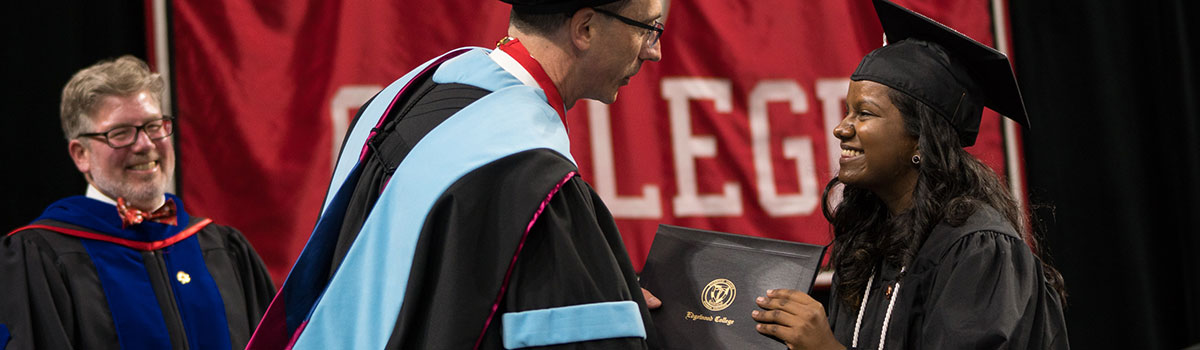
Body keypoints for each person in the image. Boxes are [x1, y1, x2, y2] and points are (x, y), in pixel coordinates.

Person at [245, 0, 663, 348]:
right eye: (649, 28)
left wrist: (611, 288)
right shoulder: (526, 174)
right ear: (585, 27)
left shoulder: (405, 99)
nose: (652, 51)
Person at [750, 1, 1069, 349]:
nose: (841, 129)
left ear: (920, 140)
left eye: (865, 114)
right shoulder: (869, 239)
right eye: (847, 112)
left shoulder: (977, 250)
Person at [0, 55, 276, 350]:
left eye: (154, 126)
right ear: (81, 154)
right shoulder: (43, 258)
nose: (145, 145)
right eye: (120, 133)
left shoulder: (223, 250)